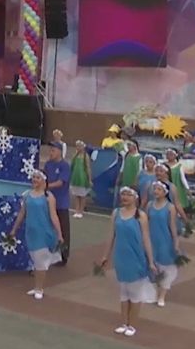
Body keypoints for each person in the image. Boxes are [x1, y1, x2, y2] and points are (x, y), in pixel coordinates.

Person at [99, 187, 158, 337]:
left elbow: (146, 239)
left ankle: (132, 324)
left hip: (136, 258)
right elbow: (111, 235)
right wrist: (105, 255)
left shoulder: (141, 216)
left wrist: (151, 261)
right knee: (124, 293)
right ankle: (124, 322)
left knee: (134, 293)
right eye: (123, 194)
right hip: (121, 258)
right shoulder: (116, 213)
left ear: (135, 198)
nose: (124, 197)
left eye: (128, 195)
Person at [10, 169, 63, 300]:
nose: (35, 180)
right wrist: (14, 230)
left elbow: (53, 216)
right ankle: (36, 286)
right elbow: (22, 213)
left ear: (43, 180)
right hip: (31, 233)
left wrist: (60, 234)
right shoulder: (27, 195)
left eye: (37, 178)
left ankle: (39, 287)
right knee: (36, 260)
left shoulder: (48, 197)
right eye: (33, 177)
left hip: (44, 233)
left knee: (41, 262)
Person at [147, 181, 182, 307]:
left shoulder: (170, 208)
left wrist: (175, 242)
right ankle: (156, 291)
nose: (156, 191)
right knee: (153, 267)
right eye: (155, 189)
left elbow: (172, 226)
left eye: (159, 189)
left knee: (166, 268)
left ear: (165, 192)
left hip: (164, 241)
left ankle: (162, 295)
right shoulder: (150, 205)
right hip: (152, 240)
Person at [43, 140, 72, 265]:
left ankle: (64, 255)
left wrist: (46, 186)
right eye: (50, 150)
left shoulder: (64, 165)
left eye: (53, 150)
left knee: (63, 229)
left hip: (61, 203)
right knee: (48, 228)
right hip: (48, 201)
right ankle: (49, 253)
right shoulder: (48, 164)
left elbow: (61, 182)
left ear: (60, 152)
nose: (50, 153)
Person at [69, 141, 92, 219]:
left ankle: (81, 211)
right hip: (75, 178)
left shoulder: (86, 156)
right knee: (76, 195)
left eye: (80, 146)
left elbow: (88, 168)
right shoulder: (75, 156)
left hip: (82, 178)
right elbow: (72, 166)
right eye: (77, 146)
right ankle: (77, 210)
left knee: (82, 196)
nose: (78, 148)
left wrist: (89, 179)